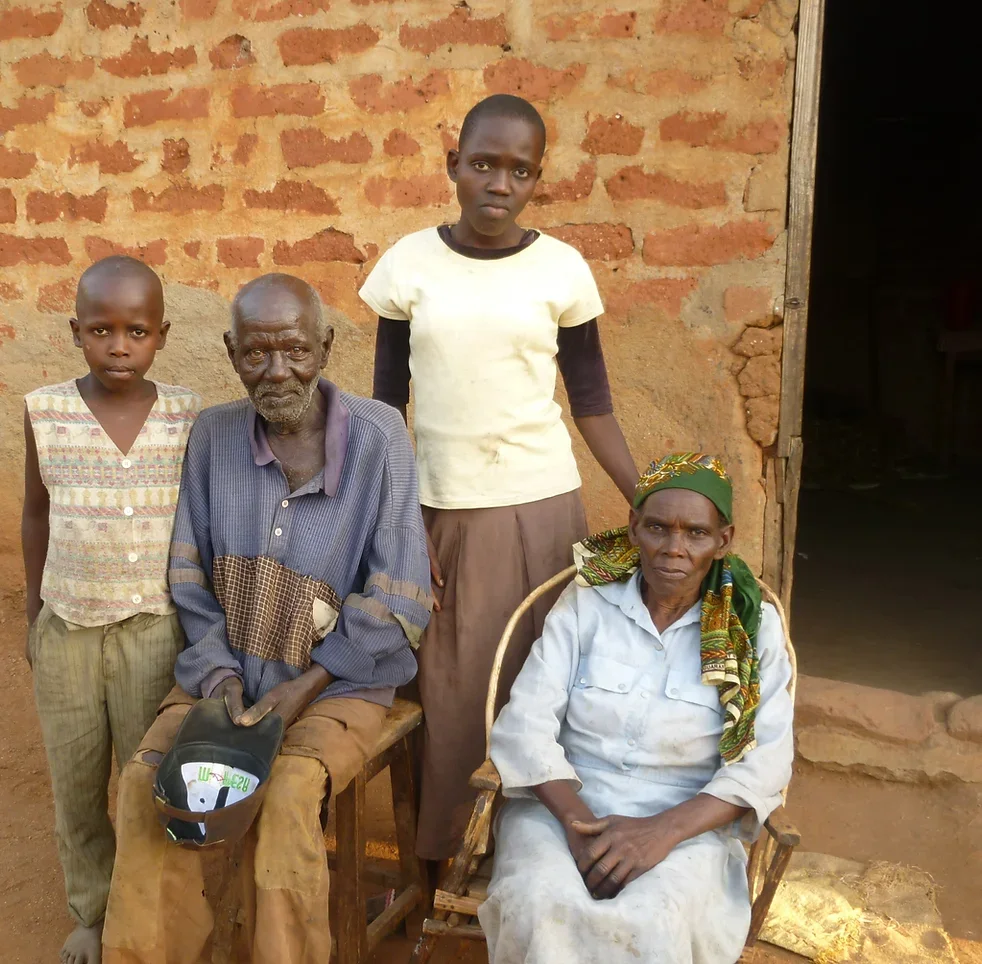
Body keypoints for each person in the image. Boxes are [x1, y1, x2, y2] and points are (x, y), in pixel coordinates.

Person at [101, 273, 431, 964]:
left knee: (284, 795)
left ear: (326, 346)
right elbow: (188, 576)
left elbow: (398, 595)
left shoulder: (380, 436)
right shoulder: (215, 436)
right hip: (226, 677)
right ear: (230, 352)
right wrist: (220, 673)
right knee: (146, 786)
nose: (276, 371)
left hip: (339, 687)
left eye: (294, 350)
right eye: (256, 353)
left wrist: (306, 684)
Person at [359, 93, 639, 867]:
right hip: (444, 514)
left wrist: (652, 498)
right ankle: (447, 860)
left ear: (537, 181)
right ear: (454, 165)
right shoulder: (408, 266)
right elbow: (386, 409)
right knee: (452, 696)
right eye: (483, 163)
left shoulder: (562, 270)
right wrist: (401, 524)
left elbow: (593, 404)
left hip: (545, 512)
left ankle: (537, 856)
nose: (499, 183)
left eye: (519, 171)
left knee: (544, 685)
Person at [478, 453, 795, 964]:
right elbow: (525, 726)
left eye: (695, 533)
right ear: (633, 528)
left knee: (654, 919)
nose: (673, 549)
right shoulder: (588, 602)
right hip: (562, 811)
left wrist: (661, 832)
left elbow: (765, 762)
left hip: (689, 826)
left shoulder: (750, 627)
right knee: (541, 903)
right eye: (657, 528)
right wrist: (580, 830)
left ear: (723, 541)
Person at [20, 256, 201, 964]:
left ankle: (141, 906)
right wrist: (36, 607)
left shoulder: (186, 415)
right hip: (65, 631)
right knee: (76, 780)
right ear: (75, 332)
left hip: (153, 631)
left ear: (161, 334)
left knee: (146, 778)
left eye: (136, 331)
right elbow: (35, 514)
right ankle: (92, 912)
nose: (118, 346)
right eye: (100, 329)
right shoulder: (45, 410)